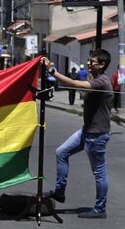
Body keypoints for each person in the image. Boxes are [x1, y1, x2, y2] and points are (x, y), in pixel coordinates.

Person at [43, 49, 113, 219]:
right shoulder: (96, 79)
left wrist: (52, 70)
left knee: (99, 173)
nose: (89, 63)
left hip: (96, 135)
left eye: (92, 61)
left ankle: (99, 209)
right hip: (86, 131)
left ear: (102, 64)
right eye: (88, 60)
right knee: (62, 152)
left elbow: (76, 85)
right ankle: (59, 192)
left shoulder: (102, 81)